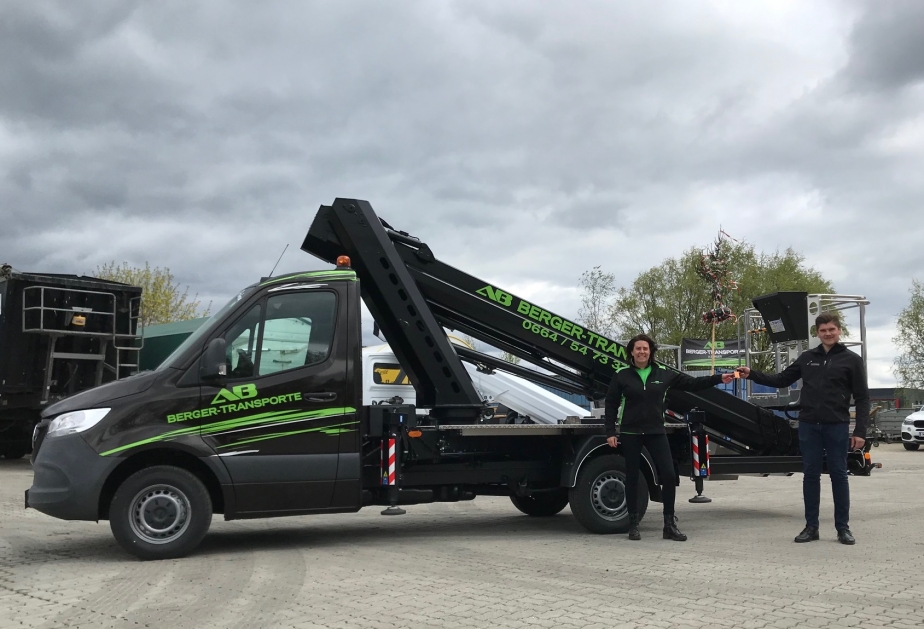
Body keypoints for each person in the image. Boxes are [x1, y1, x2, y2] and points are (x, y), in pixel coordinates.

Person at [737, 312, 868, 545]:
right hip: (809, 425)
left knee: (839, 475)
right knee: (811, 476)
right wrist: (752, 374)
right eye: (823, 330)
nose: (827, 334)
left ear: (839, 331)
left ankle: (843, 528)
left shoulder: (851, 360)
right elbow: (782, 379)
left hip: (836, 426)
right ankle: (811, 527)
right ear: (817, 333)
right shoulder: (807, 358)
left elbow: (862, 398)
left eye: (831, 329)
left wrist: (860, 431)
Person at [605, 333, 734, 541]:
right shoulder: (622, 374)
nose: (642, 352)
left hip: (657, 431)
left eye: (645, 348)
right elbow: (611, 403)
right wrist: (610, 432)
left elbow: (692, 384)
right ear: (631, 351)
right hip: (630, 433)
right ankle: (633, 523)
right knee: (632, 477)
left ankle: (668, 524)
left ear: (651, 352)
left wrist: (719, 378)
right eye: (638, 348)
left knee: (668, 476)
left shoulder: (663, 373)